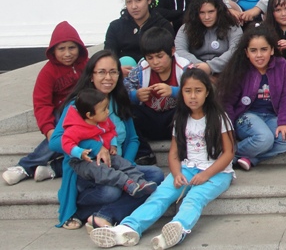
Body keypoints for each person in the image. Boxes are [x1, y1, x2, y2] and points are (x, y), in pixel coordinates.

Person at [88, 69, 235, 250]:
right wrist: (176, 174)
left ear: (207, 92)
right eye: (188, 91)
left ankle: (178, 228)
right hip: (187, 168)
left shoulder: (219, 117)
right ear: (181, 93)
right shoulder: (181, 118)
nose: (193, 96)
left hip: (217, 172)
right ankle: (128, 228)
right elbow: (173, 153)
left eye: (198, 90)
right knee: (160, 195)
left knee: (194, 198)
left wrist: (206, 174)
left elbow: (229, 153)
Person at [49, 50, 165, 230]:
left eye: (113, 72)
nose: (108, 77)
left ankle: (105, 215)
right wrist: (95, 146)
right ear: (91, 76)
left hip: (116, 165)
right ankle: (82, 209)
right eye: (101, 72)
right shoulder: (79, 105)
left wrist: (125, 164)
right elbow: (56, 141)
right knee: (112, 190)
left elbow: (133, 139)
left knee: (154, 176)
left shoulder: (119, 102)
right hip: (87, 170)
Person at [3, 21, 88, 186]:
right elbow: (42, 105)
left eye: (72, 48)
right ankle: (25, 167)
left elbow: (105, 71)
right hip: (61, 118)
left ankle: (43, 168)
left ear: (80, 48)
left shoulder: (87, 64)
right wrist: (49, 129)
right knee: (63, 128)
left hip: (88, 114)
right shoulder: (47, 73)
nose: (67, 53)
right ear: (53, 50)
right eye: (61, 49)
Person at [217, 25, 286, 171]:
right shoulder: (240, 68)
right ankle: (226, 154)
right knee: (264, 138)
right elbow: (227, 101)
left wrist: (285, 121)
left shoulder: (281, 65)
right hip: (246, 116)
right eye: (253, 50)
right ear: (246, 53)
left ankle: (250, 157)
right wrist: (229, 130)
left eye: (264, 49)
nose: (259, 55)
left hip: (271, 116)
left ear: (272, 50)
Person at [61, 90, 157, 198]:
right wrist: (79, 152)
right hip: (83, 161)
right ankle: (126, 183)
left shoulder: (104, 121)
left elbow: (112, 131)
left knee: (123, 163)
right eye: (104, 110)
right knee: (101, 170)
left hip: (106, 155)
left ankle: (140, 182)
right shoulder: (76, 128)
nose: (107, 112)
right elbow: (66, 143)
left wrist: (113, 145)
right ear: (90, 115)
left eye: (107, 108)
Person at [124, 27, 192, 165]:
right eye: (150, 58)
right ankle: (144, 153)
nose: (155, 62)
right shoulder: (140, 69)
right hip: (149, 119)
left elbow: (200, 92)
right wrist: (135, 95)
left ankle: (184, 151)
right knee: (126, 111)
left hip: (174, 120)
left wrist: (174, 92)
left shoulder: (185, 68)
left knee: (188, 112)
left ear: (172, 51)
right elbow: (122, 92)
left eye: (160, 56)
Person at [174, 0, 243, 78]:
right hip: (194, 74)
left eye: (211, 12)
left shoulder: (233, 27)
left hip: (226, 74)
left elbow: (235, 50)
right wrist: (199, 66)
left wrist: (210, 66)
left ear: (218, 10)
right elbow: (180, 51)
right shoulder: (186, 28)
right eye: (202, 13)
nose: (207, 17)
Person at [104, 0, 174, 67]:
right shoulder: (115, 27)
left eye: (138, 0)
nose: (134, 6)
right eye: (129, 2)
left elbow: (169, 56)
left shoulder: (162, 26)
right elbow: (108, 56)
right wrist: (118, 69)